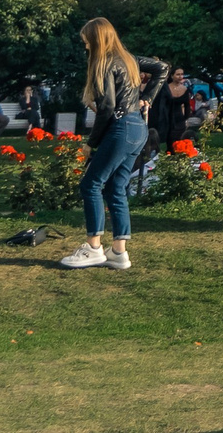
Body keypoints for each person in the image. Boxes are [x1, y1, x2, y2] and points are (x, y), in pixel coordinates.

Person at [62, 17, 154, 269]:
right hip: (138, 128)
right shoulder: (128, 59)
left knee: (91, 185)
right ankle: (118, 253)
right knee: (116, 187)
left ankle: (93, 247)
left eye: (87, 43)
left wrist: (91, 143)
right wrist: (148, 98)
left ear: (96, 40)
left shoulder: (105, 63)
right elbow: (162, 68)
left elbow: (107, 107)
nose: (86, 48)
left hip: (121, 129)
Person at [148, 65, 202, 153]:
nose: (180, 77)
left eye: (182, 74)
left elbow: (187, 105)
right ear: (172, 76)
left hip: (179, 117)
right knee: (170, 140)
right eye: (178, 74)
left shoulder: (185, 89)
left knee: (180, 139)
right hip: (167, 117)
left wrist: (186, 118)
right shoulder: (166, 88)